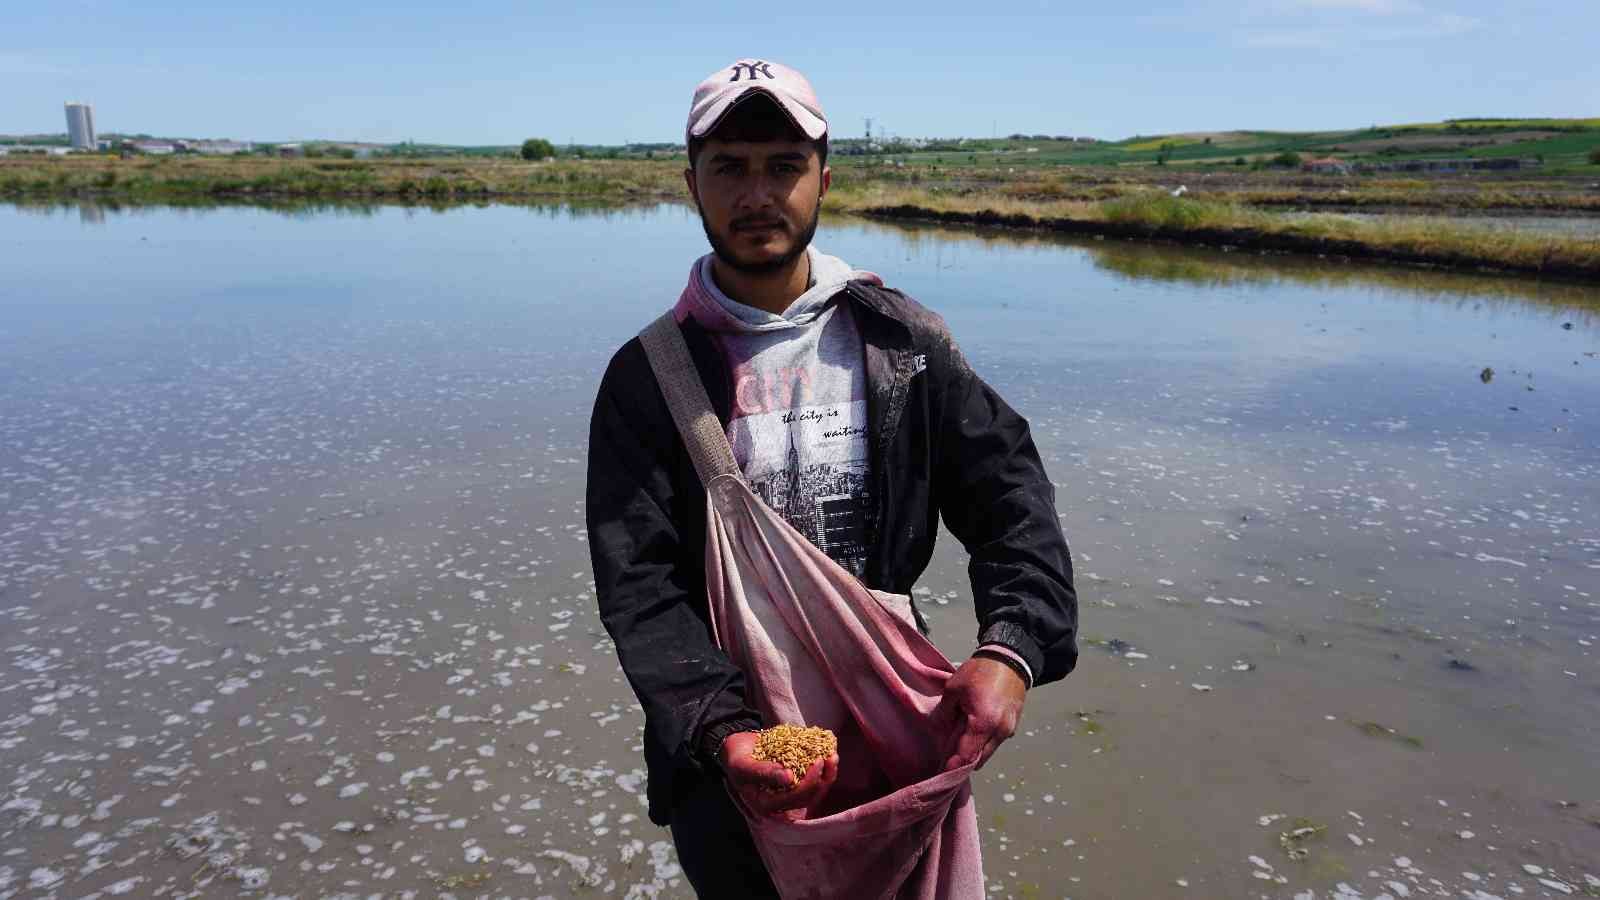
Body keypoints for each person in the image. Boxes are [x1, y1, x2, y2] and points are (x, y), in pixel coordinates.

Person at [585, 58, 1078, 897]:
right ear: (691, 183)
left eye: (784, 166)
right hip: (723, 752)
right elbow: (641, 587)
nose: (757, 194)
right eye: (729, 168)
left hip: (891, 729)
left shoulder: (903, 344)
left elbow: (1011, 502)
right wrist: (720, 728)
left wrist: (1012, 650)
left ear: (824, 175)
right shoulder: (646, 377)